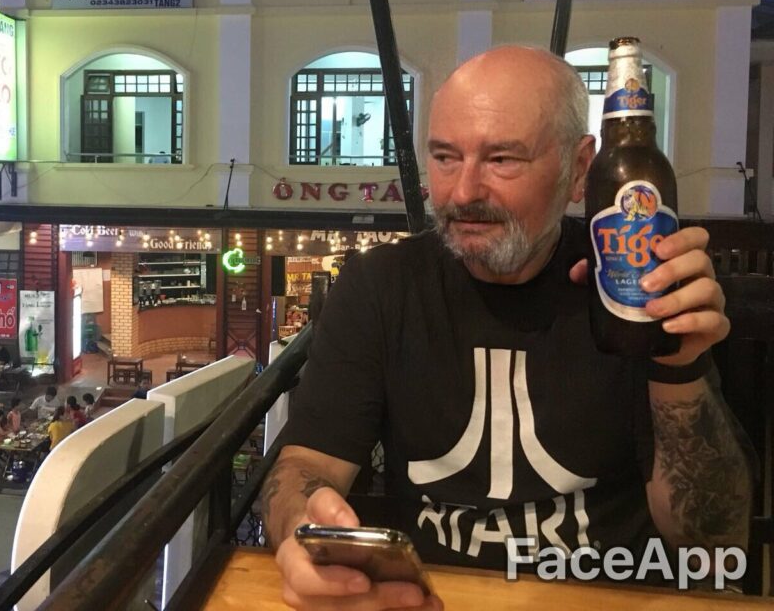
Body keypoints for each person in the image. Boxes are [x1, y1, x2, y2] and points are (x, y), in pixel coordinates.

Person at [261, 46, 752, 611]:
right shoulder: (380, 285)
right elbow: (307, 466)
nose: (463, 192)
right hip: (430, 597)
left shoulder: (634, 288)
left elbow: (711, 541)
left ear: (579, 169)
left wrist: (679, 364)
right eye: (445, 157)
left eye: (502, 160)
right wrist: (305, 535)